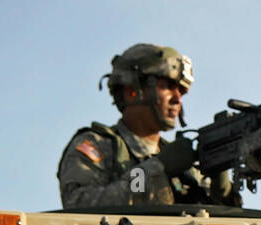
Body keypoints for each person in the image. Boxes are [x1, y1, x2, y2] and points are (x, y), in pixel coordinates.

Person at [57, 43, 237, 208]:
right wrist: (158, 168)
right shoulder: (98, 146)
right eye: (166, 86)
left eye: (181, 91)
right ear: (132, 92)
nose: (177, 99)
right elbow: (79, 204)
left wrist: (221, 189)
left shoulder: (183, 163)